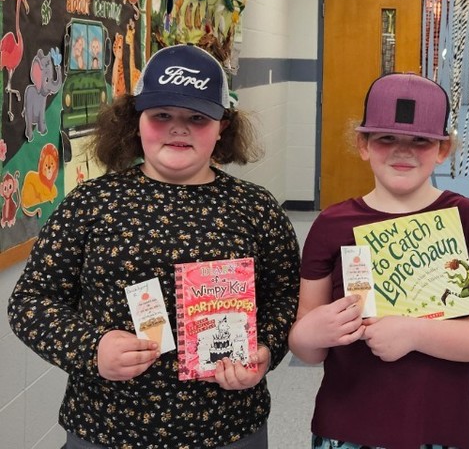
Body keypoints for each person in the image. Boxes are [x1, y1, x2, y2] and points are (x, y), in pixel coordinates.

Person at [8, 43, 300, 449]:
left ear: (222, 127)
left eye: (197, 117)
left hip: (228, 427)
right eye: (161, 115)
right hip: (107, 428)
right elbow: (31, 302)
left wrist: (266, 348)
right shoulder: (91, 203)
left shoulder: (255, 208)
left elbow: (287, 297)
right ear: (135, 121)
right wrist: (92, 348)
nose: (178, 128)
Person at [289, 72, 469, 449]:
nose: (403, 151)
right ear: (363, 144)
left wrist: (415, 334)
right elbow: (307, 345)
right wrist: (308, 335)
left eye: (420, 140)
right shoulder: (331, 224)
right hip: (347, 427)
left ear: (443, 149)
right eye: (386, 138)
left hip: (440, 428)